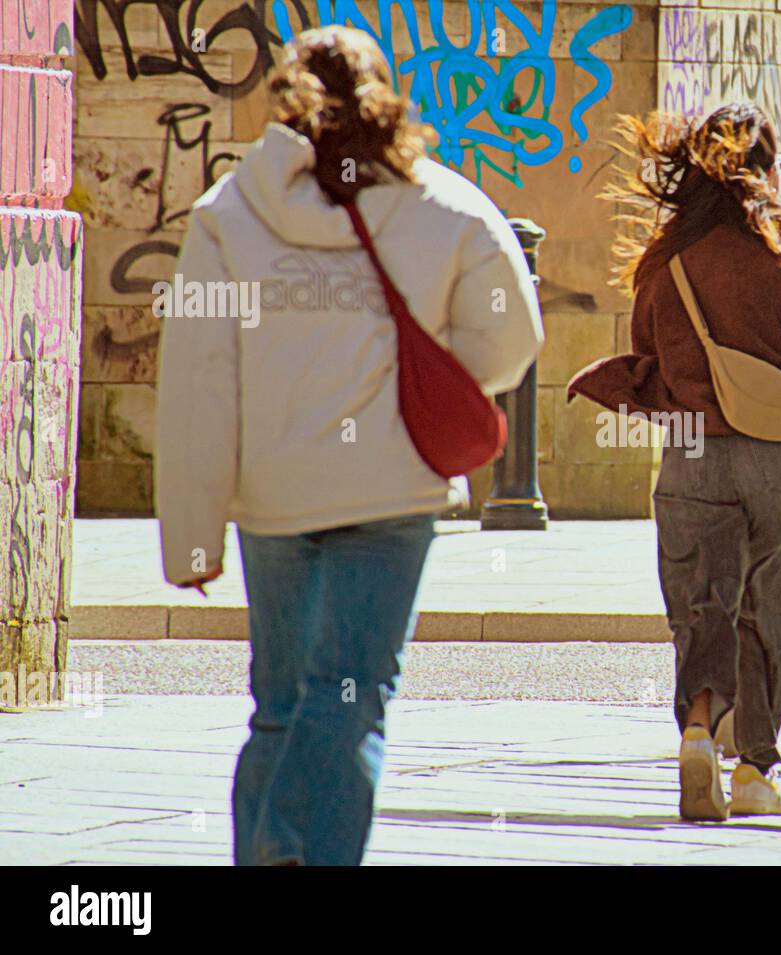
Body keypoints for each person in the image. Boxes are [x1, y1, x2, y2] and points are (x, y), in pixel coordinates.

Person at [153, 26, 544, 864]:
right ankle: (304, 849)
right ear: (384, 93)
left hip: (272, 497)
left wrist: (191, 532)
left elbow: (197, 381)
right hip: (390, 489)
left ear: (285, 101)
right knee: (352, 693)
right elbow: (513, 338)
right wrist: (427, 380)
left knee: (282, 704)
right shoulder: (446, 206)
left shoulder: (229, 215)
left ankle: (271, 849)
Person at [568, 104, 781, 821]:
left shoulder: (665, 262)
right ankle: (755, 770)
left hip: (691, 454)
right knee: (769, 607)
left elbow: (648, 353)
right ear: (770, 172)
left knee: (702, 608)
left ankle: (696, 732)